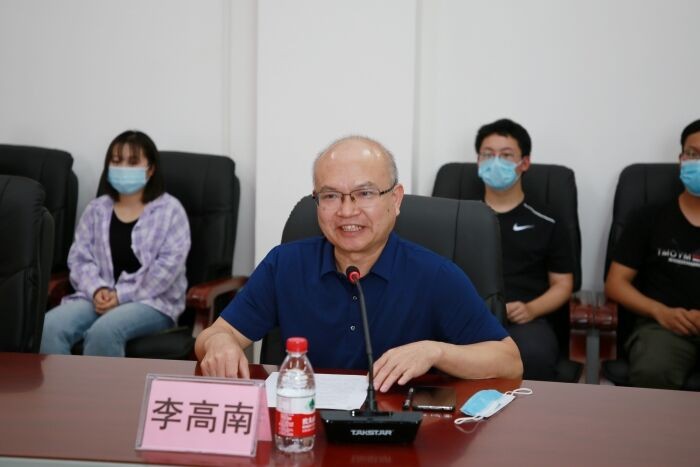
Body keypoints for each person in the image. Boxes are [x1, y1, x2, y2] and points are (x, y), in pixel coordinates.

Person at [196, 135, 522, 391]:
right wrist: (220, 343)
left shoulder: (436, 275)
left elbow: (509, 361)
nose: (347, 211)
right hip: (305, 427)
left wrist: (435, 351)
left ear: (395, 199)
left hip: (398, 435)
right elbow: (214, 336)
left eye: (365, 194)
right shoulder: (285, 264)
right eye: (330, 196)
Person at [41, 130, 191, 357]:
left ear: (150, 169)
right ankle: (64, 383)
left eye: (133, 162)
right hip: (97, 297)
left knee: (104, 332)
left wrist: (120, 296)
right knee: (49, 327)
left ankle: (99, 384)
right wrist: (97, 289)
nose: (123, 168)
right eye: (117, 161)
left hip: (152, 302)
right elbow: (79, 259)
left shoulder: (171, 210)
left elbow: (166, 271)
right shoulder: (96, 209)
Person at [474, 119, 574, 381]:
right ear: (478, 161)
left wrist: (531, 309)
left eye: (506, 155)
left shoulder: (547, 220)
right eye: (488, 154)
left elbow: (563, 284)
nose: (496, 162)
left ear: (525, 163)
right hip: (469, 315)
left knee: (533, 356)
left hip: (526, 320)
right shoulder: (461, 217)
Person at [605, 119, 700, 389]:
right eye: (693, 154)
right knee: (654, 369)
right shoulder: (649, 217)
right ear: (681, 159)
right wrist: (660, 312)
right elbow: (615, 284)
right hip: (662, 328)